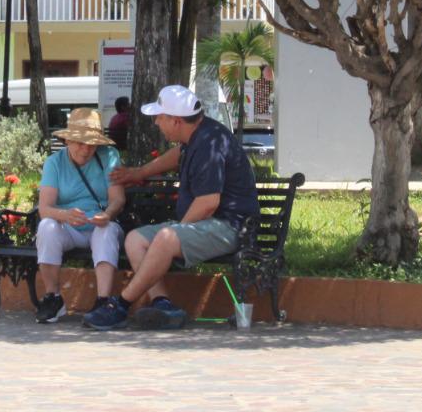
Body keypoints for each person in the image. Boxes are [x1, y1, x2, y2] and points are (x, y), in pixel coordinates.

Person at [83, 85, 258, 331]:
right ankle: (163, 304)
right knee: (135, 239)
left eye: (159, 117)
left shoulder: (209, 145)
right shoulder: (196, 135)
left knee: (166, 238)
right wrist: (139, 172)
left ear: (176, 121)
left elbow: (208, 203)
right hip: (208, 224)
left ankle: (120, 305)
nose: (155, 123)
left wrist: (176, 233)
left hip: (230, 227)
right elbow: (178, 154)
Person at [32, 109, 126, 324]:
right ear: (67, 140)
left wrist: (107, 214)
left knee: (107, 230)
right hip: (70, 227)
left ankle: (103, 302)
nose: (86, 149)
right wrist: (64, 215)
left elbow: (118, 199)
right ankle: (52, 297)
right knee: (47, 226)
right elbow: (44, 208)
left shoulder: (109, 157)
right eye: (79, 143)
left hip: (99, 224)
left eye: (91, 144)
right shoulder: (54, 163)